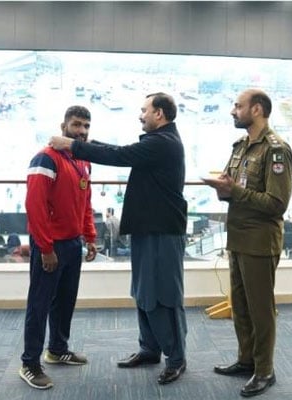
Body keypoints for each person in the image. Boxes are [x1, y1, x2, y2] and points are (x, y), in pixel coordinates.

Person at [49, 92, 188, 385]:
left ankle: (176, 359)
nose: (141, 115)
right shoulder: (157, 142)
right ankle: (149, 349)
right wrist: (84, 144)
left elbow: (120, 156)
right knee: (143, 292)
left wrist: (73, 145)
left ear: (159, 114)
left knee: (164, 295)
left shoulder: (163, 143)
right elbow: (120, 150)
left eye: (144, 110)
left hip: (161, 231)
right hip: (147, 229)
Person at [203, 88, 292, 398]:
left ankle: (264, 370)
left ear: (257, 110)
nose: (232, 111)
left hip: (259, 240)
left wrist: (235, 192)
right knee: (240, 306)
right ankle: (246, 360)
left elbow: (276, 203)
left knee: (260, 309)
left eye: (238, 106)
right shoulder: (241, 146)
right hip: (238, 236)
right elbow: (232, 185)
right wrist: (221, 188)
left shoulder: (276, 150)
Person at [19, 105, 97, 390]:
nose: (82, 131)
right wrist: (45, 247)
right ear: (63, 125)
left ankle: (57, 349)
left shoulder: (83, 160)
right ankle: (29, 363)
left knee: (65, 300)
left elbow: (85, 202)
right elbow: (35, 207)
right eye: (76, 125)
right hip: (49, 246)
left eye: (86, 127)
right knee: (39, 305)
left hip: (73, 243)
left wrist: (89, 236)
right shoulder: (46, 158)